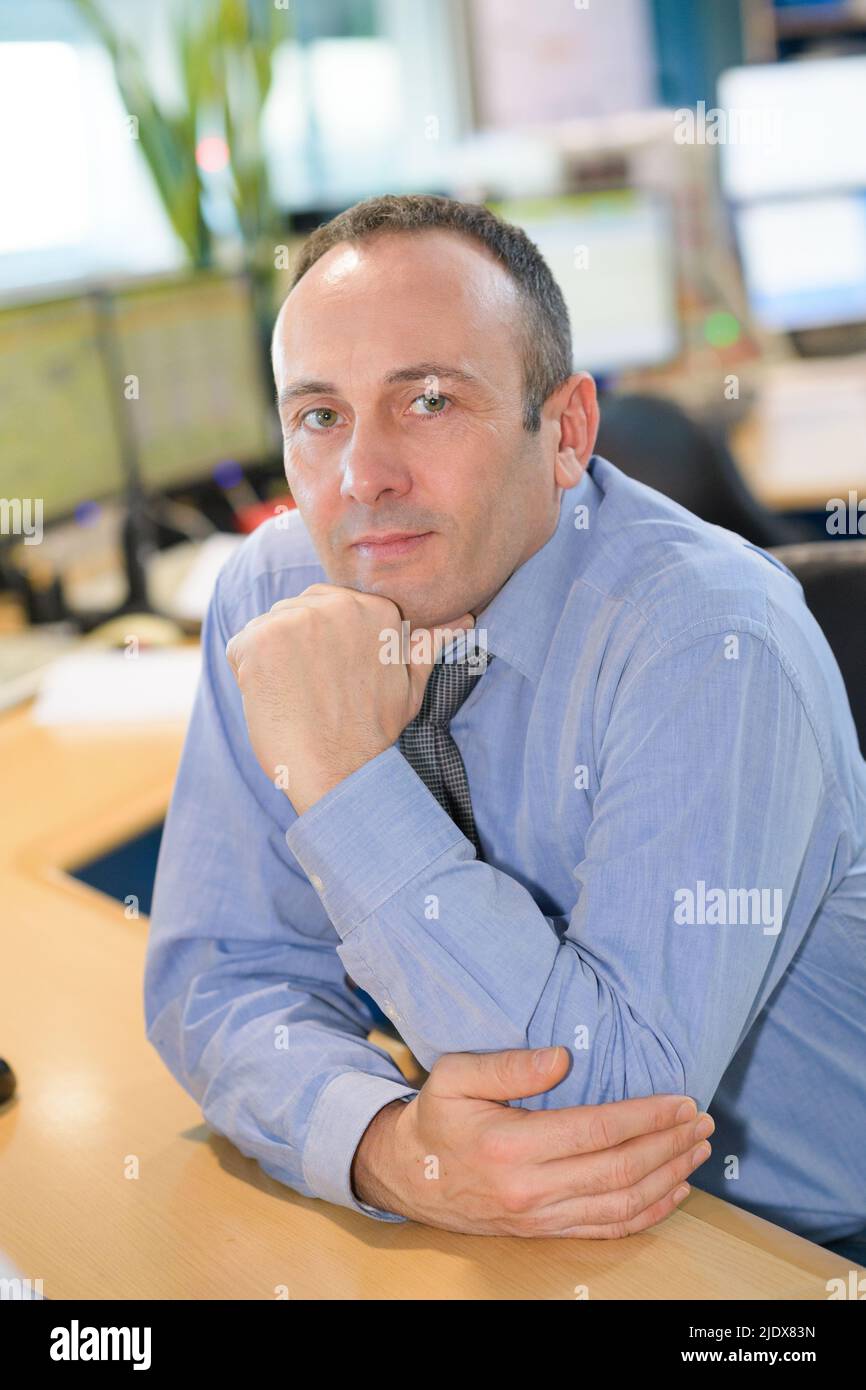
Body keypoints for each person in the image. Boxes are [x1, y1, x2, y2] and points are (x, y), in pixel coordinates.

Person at [145, 194, 866, 1250]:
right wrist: (385, 1145)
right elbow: (220, 976)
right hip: (495, 1228)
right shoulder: (273, 593)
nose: (361, 479)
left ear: (565, 429)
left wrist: (345, 779)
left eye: (428, 401)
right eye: (319, 416)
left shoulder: (710, 637)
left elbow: (602, 1114)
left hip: (790, 1249)